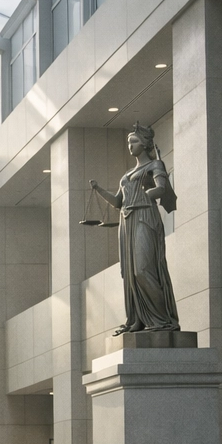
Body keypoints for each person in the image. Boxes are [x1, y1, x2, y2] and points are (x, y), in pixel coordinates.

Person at [89, 123, 181, 335]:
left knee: (142, 269)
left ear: (146, 143)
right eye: (129, 142)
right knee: (130, 273)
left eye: (134, 141)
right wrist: (99, 189)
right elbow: (117, 202)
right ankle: (138, 319)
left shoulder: (155, 165)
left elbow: (161, 189)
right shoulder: (127, 174)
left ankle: (162, 320)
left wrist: (144, 195)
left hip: (145, 217)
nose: (130, 145)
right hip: (127, 221)